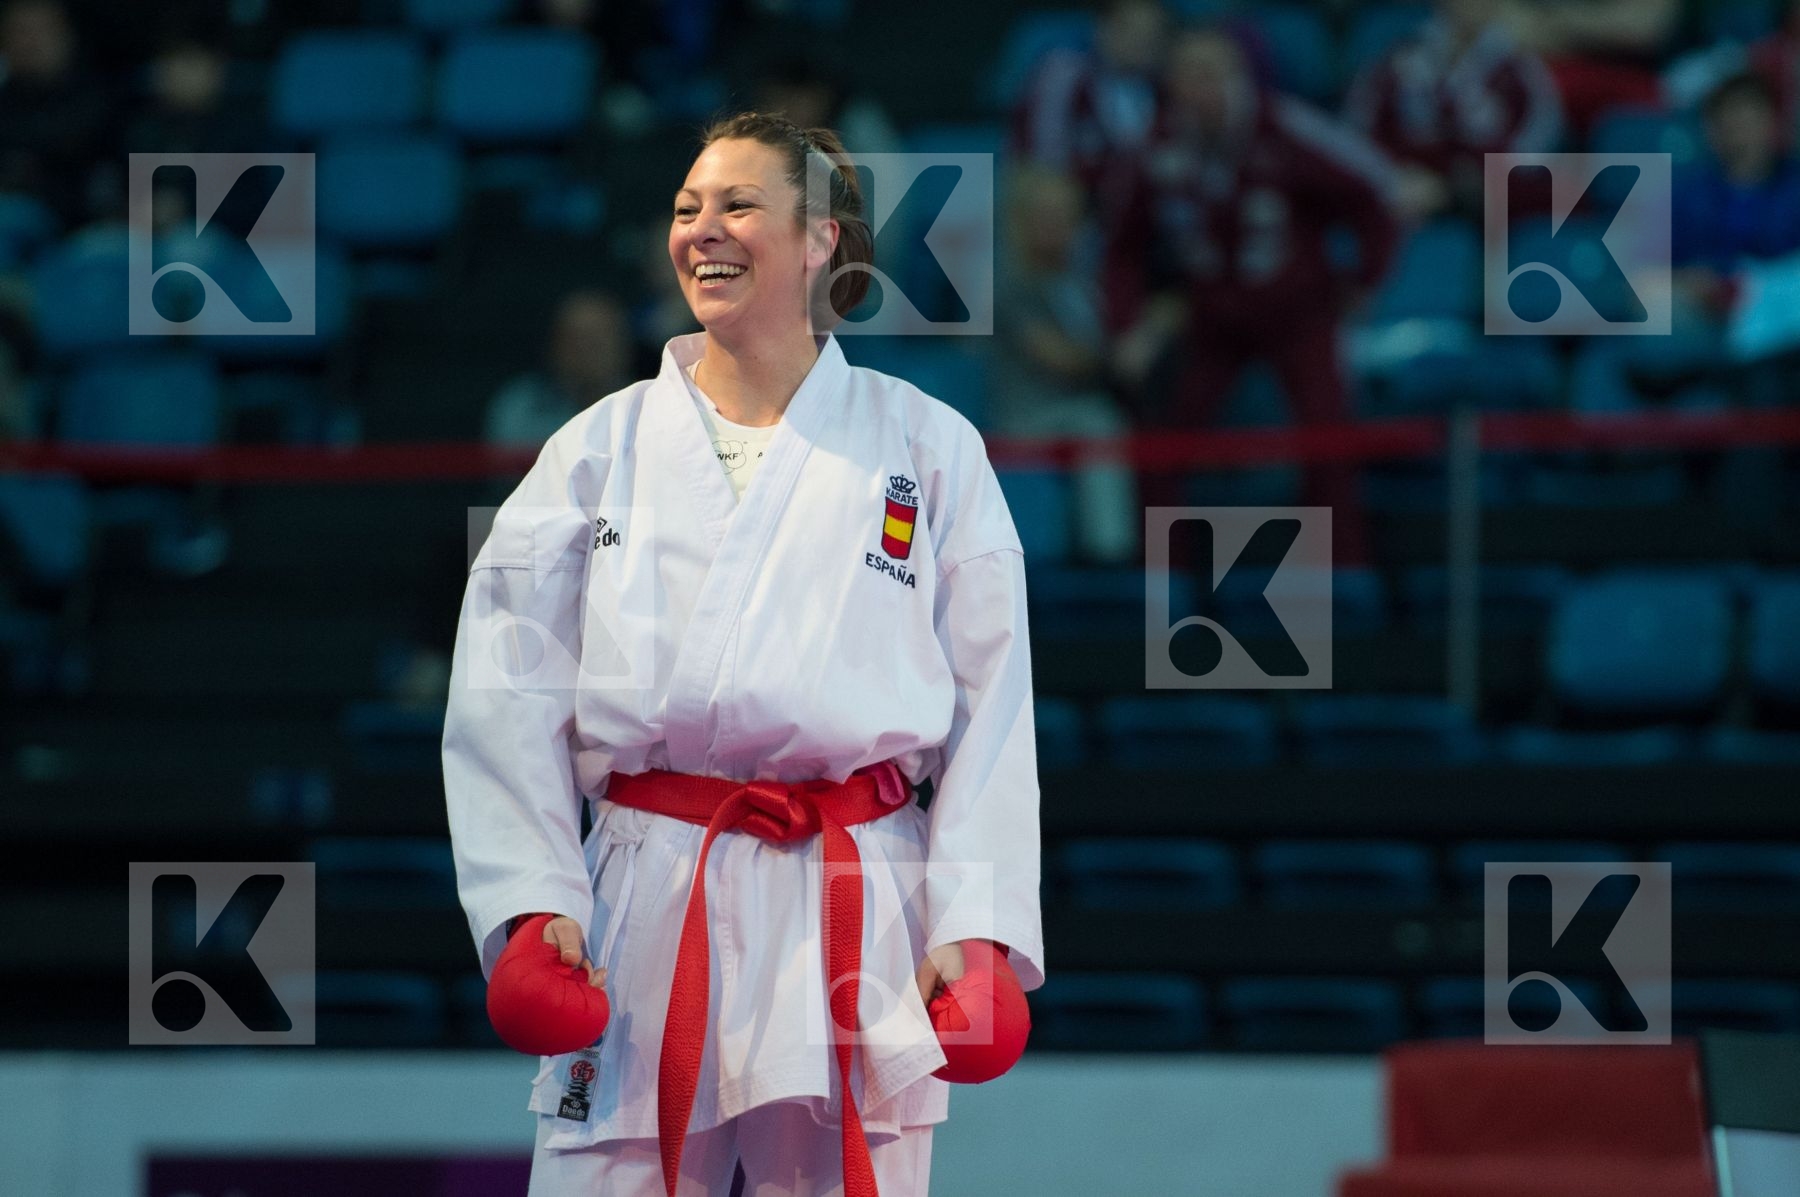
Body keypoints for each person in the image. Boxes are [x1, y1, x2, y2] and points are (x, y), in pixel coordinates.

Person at [443, 111, 1044, 1196]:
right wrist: (534, 905)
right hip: (646, 892)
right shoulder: (595, 449)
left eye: (735, 205)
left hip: (859, 888)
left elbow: (991, 703)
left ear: (822, 240)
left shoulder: (928, 447)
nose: (701, 230)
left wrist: (982, 925)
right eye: (685, 209)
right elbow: (503, 693)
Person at [1104, 26, 1400, 567]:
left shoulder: (1285, 127)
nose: (1204, 87)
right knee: (1162, 437)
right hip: (1212, 320)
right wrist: (1127, 326)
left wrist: (1366, 280)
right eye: (1190, 74)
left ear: (1239, 77)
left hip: (1299, 315)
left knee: (1328, 435)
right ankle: (1164, 577)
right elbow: (1120, 246)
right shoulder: (1154, 148)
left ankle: (1346, 575)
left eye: (1215, 72)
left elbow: (1376, 195)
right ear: (1171, 84)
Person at [991, 162, 1139, 564]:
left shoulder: (1080, 280)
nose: (1058, 226)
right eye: (1046, 216)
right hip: (1025, 420)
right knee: (1100, 425)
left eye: (1066, 216)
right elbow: (1058, 358)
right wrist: (1121, 359)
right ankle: (1110, 560)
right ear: (1022, 220)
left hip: (1079, 406)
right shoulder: (1009, 284)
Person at [1345, 0, 1562, 223]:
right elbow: (1359, 135)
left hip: (1486, 209)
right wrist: (1391, 177)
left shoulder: (1520, 70)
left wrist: (1451, 191)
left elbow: (1534, 153)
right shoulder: (1399, 59)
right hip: (1403, 196)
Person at [484, 290, 634, 451]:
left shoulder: (651, 403)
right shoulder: (520, 407)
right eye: (578, 339)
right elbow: (510, 471)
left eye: (599, 339)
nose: (587, 351)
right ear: (555, 344)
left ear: (625, 344)